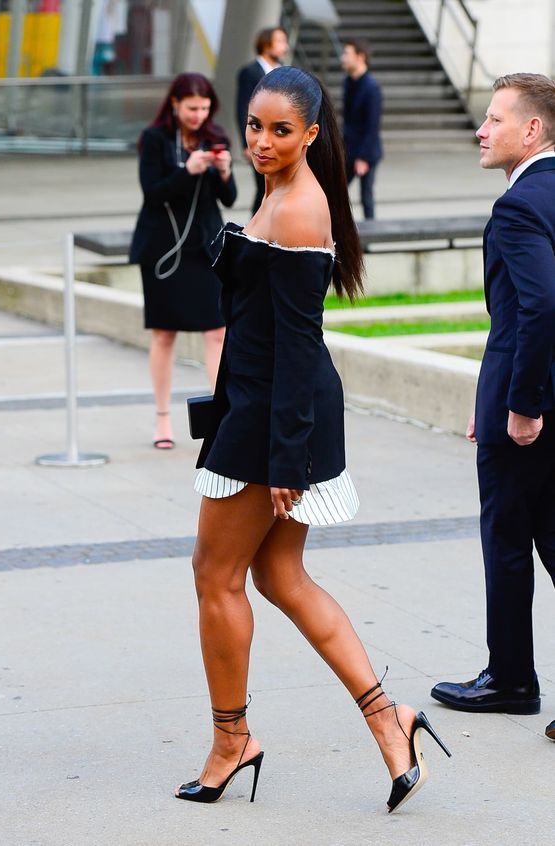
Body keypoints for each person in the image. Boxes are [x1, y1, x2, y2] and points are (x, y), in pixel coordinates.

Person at [175, 65, 450, 812]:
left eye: (280, 131)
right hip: (269, 406)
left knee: (215, 574)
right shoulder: (276, 191)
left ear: (311, 135)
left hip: (274, 415)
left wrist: (287, 454)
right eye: (255, 126)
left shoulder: (301, 209)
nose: (263, 142)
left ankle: (232, 740)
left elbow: (297, 344)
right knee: (279, 578)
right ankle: (389, 719)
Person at [430, 74, 555, 743]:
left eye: (493, 118)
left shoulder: (517, 207)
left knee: (506, 541)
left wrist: (520, 405)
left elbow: (534, 309)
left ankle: (509, 679)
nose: (480, 129)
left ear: (530, 130)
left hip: (529, 410)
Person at [130, 73, 236, 449]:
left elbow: (227, 198)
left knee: (218, 332)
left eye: (204, 108)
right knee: (164, 333)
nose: (198, 115)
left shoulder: (215, 135)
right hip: (164, 250)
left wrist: (224, 170)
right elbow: (152, 193)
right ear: (174, 103)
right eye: (192, 107)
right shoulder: (155, 139)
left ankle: (222, 418)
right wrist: (186, 171)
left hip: (206, 247)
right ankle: (162, 419)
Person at [236, 26, 289, 215]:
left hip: (279, 139)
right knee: (263, 188)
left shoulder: (284, 71)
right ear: (266, 44)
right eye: (280, 41)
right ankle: (254, 231)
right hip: (260, 140)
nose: (285, 46)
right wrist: (246, 144)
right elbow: (243, 107)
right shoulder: (250, 72)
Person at [340, 38, 383, 219]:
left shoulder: (371, 88)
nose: (343, 58)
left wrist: (363, 158)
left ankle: (370, 240)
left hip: (367, 152)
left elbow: (372, 126)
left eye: (347, 54)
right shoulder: (348, 82)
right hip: (349, 149)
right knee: (337, 193)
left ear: (361, 57)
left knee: (366, 196)